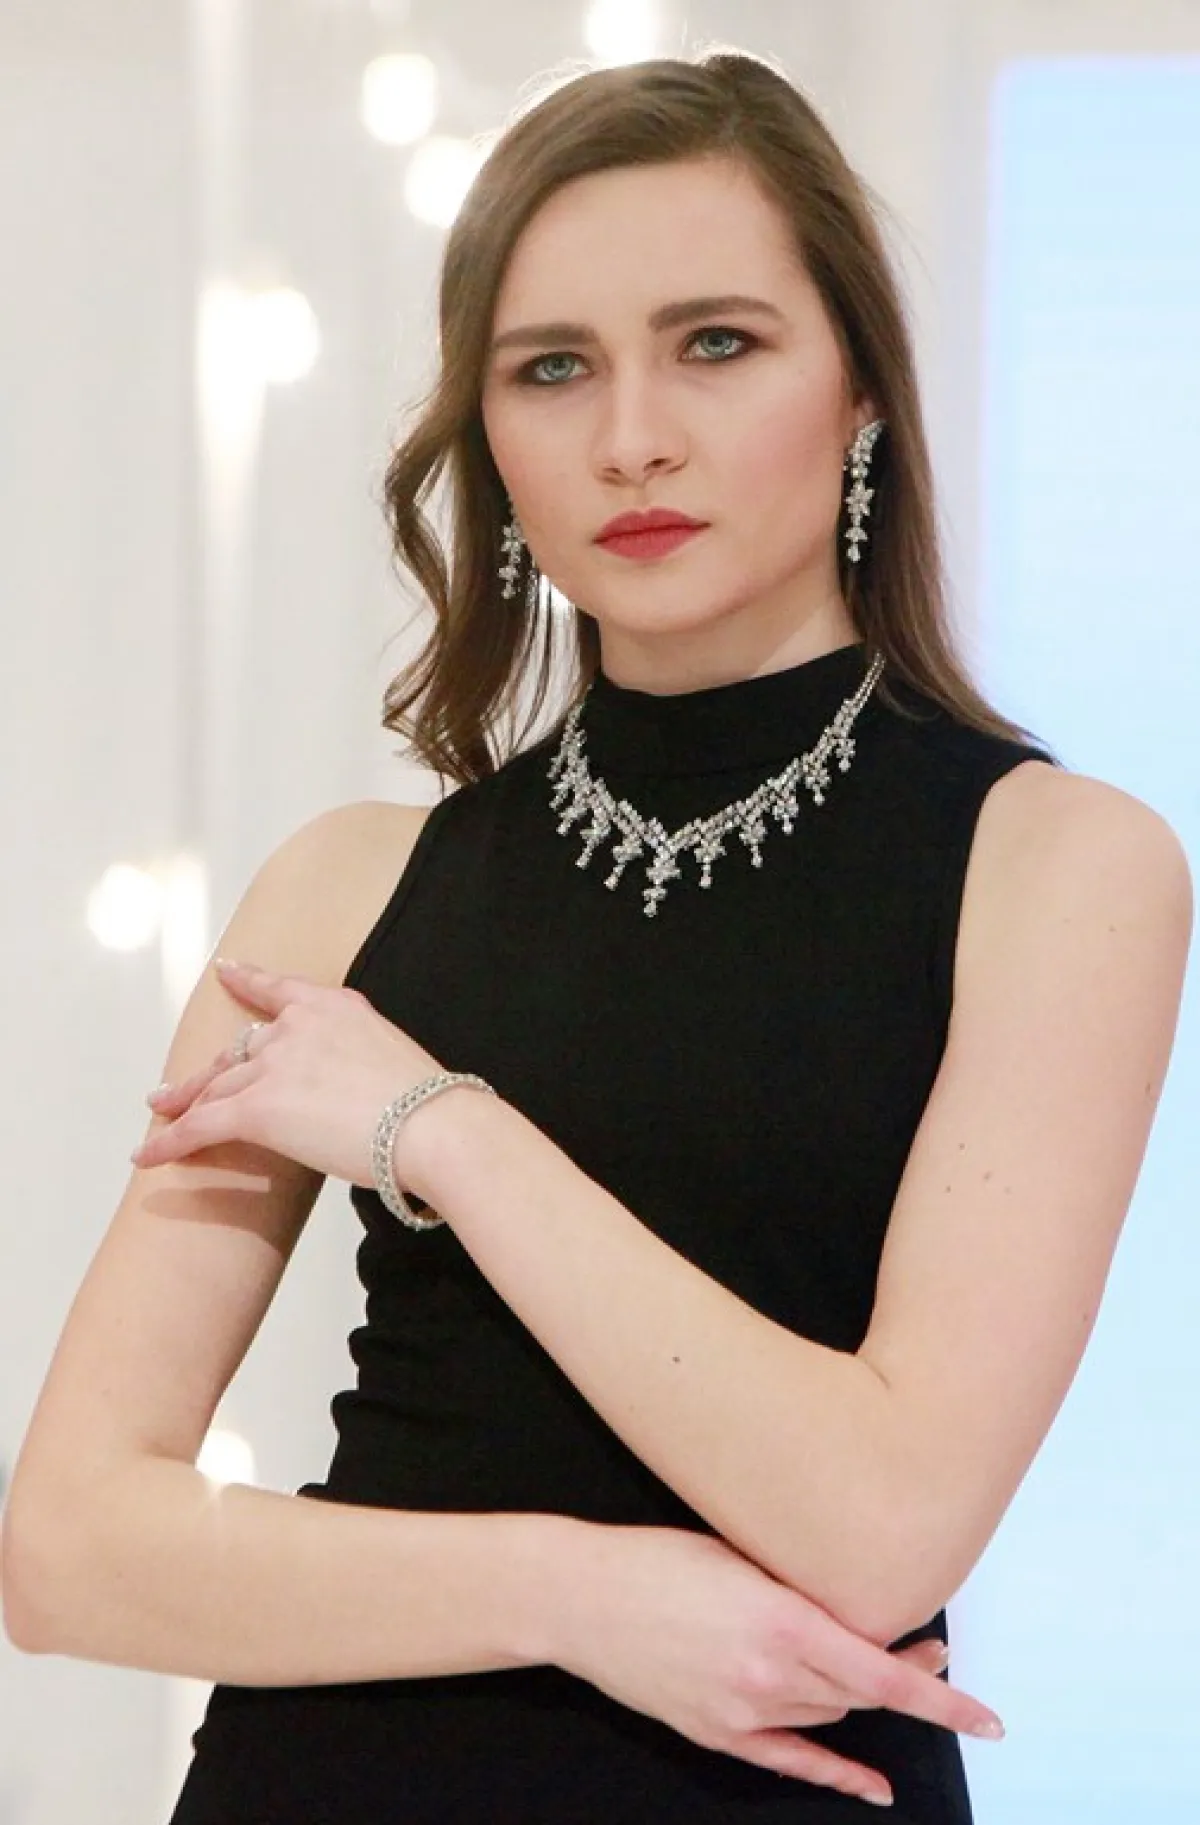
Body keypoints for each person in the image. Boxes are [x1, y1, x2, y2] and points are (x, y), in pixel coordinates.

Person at [3, 47, 1191, 1825]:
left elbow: (880, 1529)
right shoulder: (346, 889)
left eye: (716, 343)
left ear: (862, 389)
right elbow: (68, 1549)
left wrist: (442, 1134)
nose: (631, 433)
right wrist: (582, 1596)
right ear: (490, 434)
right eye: (552, 367)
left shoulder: (1057, 865)